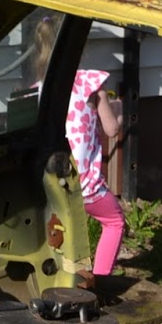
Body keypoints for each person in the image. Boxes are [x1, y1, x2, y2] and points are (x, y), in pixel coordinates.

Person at [65, 69, 126, 290]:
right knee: (114, 221)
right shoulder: (89, 82)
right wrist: (118, 108)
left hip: (55, 181)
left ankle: (68, 278)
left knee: (64, 228)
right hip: (85, 186)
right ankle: (99, 282)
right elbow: (112, 129)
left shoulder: (41, 87)